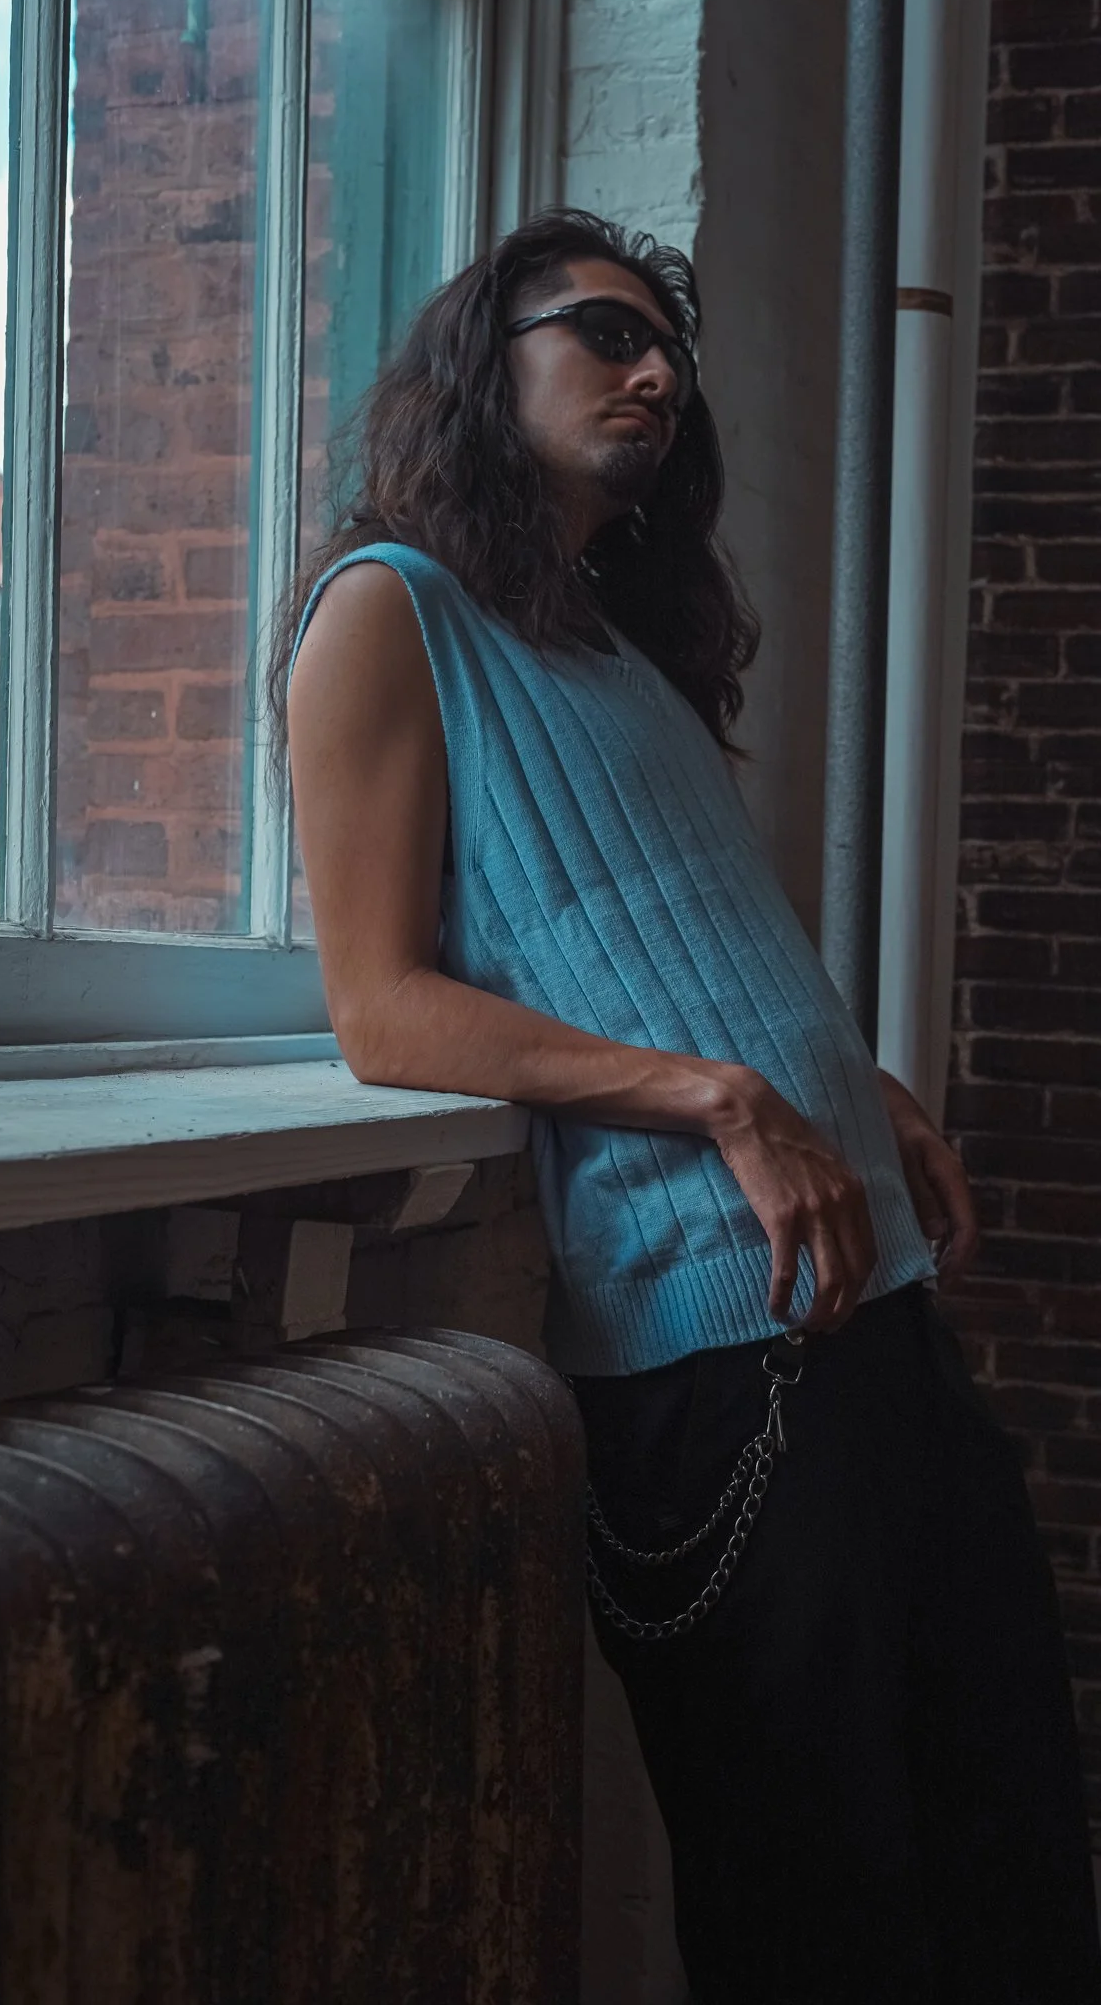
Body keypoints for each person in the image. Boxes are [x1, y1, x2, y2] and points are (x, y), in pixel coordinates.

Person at [274, 208, 1100, 2002]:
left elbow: (669, 938)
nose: (654, 372)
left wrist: (842, 1082)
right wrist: (721, 1095)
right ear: (484, 366)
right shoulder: (384, 609)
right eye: (604, 332)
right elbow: (380, 1010)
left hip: (882, 1328)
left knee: (1013, 1851)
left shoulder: (621, 655)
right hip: (721, 1376)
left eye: (671, 353)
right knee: (820, 1912)